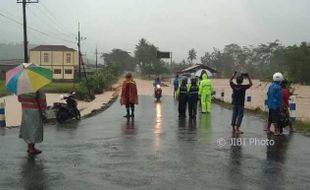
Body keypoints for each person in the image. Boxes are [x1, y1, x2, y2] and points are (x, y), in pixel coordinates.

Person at [18, 89, 47, 155]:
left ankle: (30, 147)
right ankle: (31, 148)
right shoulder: (37, 87)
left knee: (28, 129)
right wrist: (44, 112)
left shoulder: (21, 88)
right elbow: (42, 100)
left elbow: (19, 99)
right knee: (34, 129)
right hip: (35, 111)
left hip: (25, 110)